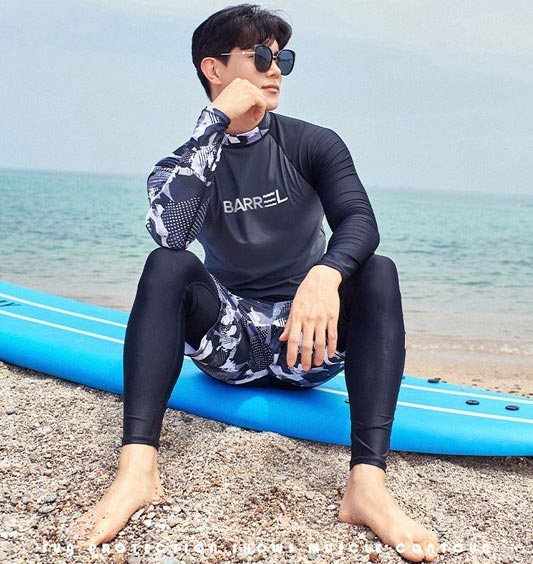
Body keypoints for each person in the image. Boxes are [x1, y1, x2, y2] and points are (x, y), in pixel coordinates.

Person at [70, 4, 440, 561]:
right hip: (230, 342)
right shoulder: (189, 161)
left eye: (283, 59)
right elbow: (170, 234)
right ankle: (137, 470)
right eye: (261, 56)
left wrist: (325, 274)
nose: (276, 71)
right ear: (213, 68)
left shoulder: (313, 143)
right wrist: (213, 123)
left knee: (378, 271)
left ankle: (367, 485)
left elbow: (360, 222)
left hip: (308, 341)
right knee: (166, 266)